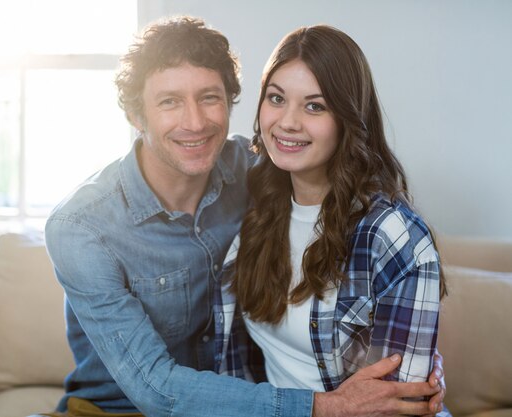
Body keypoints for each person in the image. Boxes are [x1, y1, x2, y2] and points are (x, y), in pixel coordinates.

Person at [41, 16, 445, 417]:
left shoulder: (259, 173)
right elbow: (155, 389)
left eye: (209, 97)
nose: (195, 123)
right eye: (169, 101)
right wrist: (326, 408)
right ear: (136, 115)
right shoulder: (81, 229)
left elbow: (371, 240)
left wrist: (419, 362)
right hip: (120, 408)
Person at [215, 24, 450, 415]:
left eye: (314, 106)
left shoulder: (392, 235)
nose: (288, 122)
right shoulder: (254, 204)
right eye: (276, 98)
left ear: (347, 118)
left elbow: (397, 407)